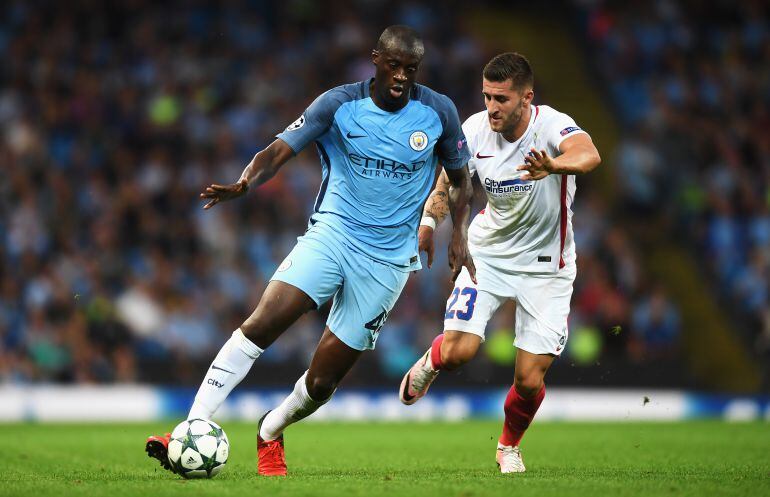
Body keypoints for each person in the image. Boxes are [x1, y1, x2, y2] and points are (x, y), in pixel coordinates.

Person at [145, 25, 475, 476]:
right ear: (376, 59)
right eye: (394, 65)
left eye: (411, 69)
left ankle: (271, 429)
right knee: (261, 323)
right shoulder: (338, 104)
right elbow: (278, 150)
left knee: (322, 383)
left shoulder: (439, 112)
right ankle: (189, 427)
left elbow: (460, 180)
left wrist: (459, 233)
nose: (401, 76)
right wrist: (245, 182)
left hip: (388, 261)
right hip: (332, 237)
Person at [398, 52, 601, 473]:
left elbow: (589, 154)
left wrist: (554, 165)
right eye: (487, 96)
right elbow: (449, 186)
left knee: (529, 380)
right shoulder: (473, 129)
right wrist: (428, 225)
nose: (491, 107)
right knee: (458, 353)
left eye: (502, 99)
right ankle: (431, 361)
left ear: (527, 97)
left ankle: (508, 445)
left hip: (548, 267)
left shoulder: (552, 126)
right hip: (487, 254)